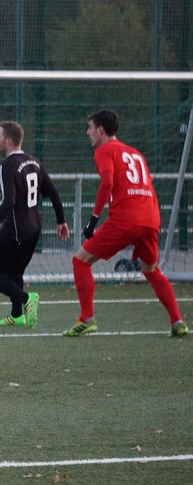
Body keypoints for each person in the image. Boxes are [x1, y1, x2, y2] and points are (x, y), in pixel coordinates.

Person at [65, 108, 188, 337]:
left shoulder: (104, 151)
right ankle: (177, 321)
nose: (88, 132)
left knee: (80, 261)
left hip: (126, 218)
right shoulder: (135, 153)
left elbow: (107, 182)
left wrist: (93, 219)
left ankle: (87, 318)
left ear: (101, 130)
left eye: (90, 128)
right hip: (151, 217)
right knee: (151, 270)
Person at [0, 121, 70, 328]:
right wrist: (61, 220)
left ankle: (27, 299)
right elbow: (53, 192)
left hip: (16, 229)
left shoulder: (6, 166)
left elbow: (8, 201)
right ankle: (17, 314)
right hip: (35, 226)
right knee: (14, 273)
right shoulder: (34, 162)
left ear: (8, 141)